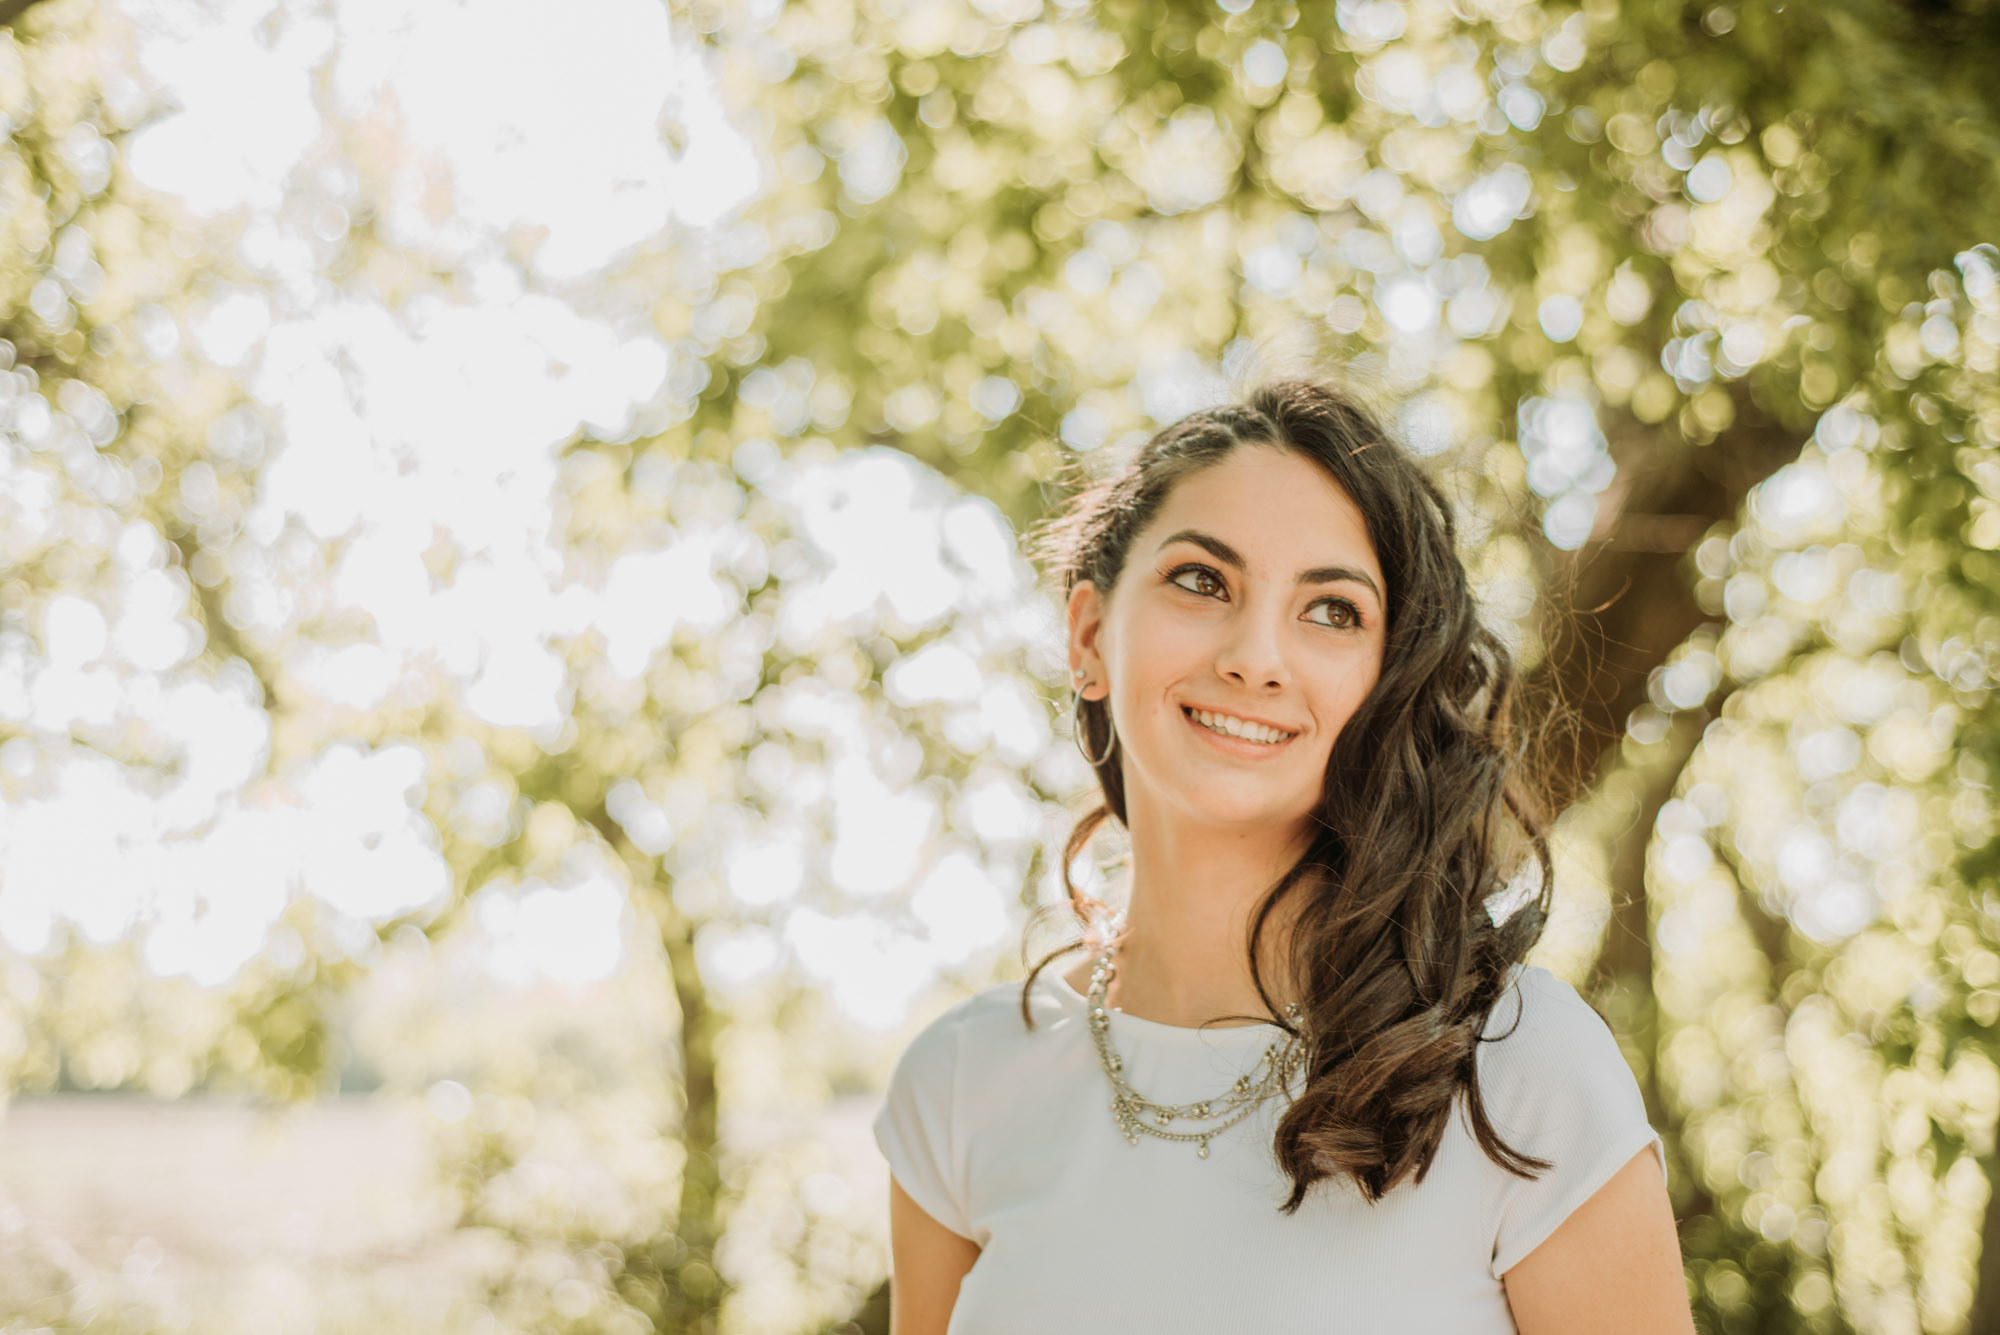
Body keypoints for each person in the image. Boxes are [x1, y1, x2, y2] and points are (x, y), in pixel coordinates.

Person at [872, 378, 1693, 1334]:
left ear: (1388, 680)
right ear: (1090, 636)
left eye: (1332, 610)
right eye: (1202, 580)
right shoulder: (960, 1083)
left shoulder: (1517, 1069)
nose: (1256, 656)